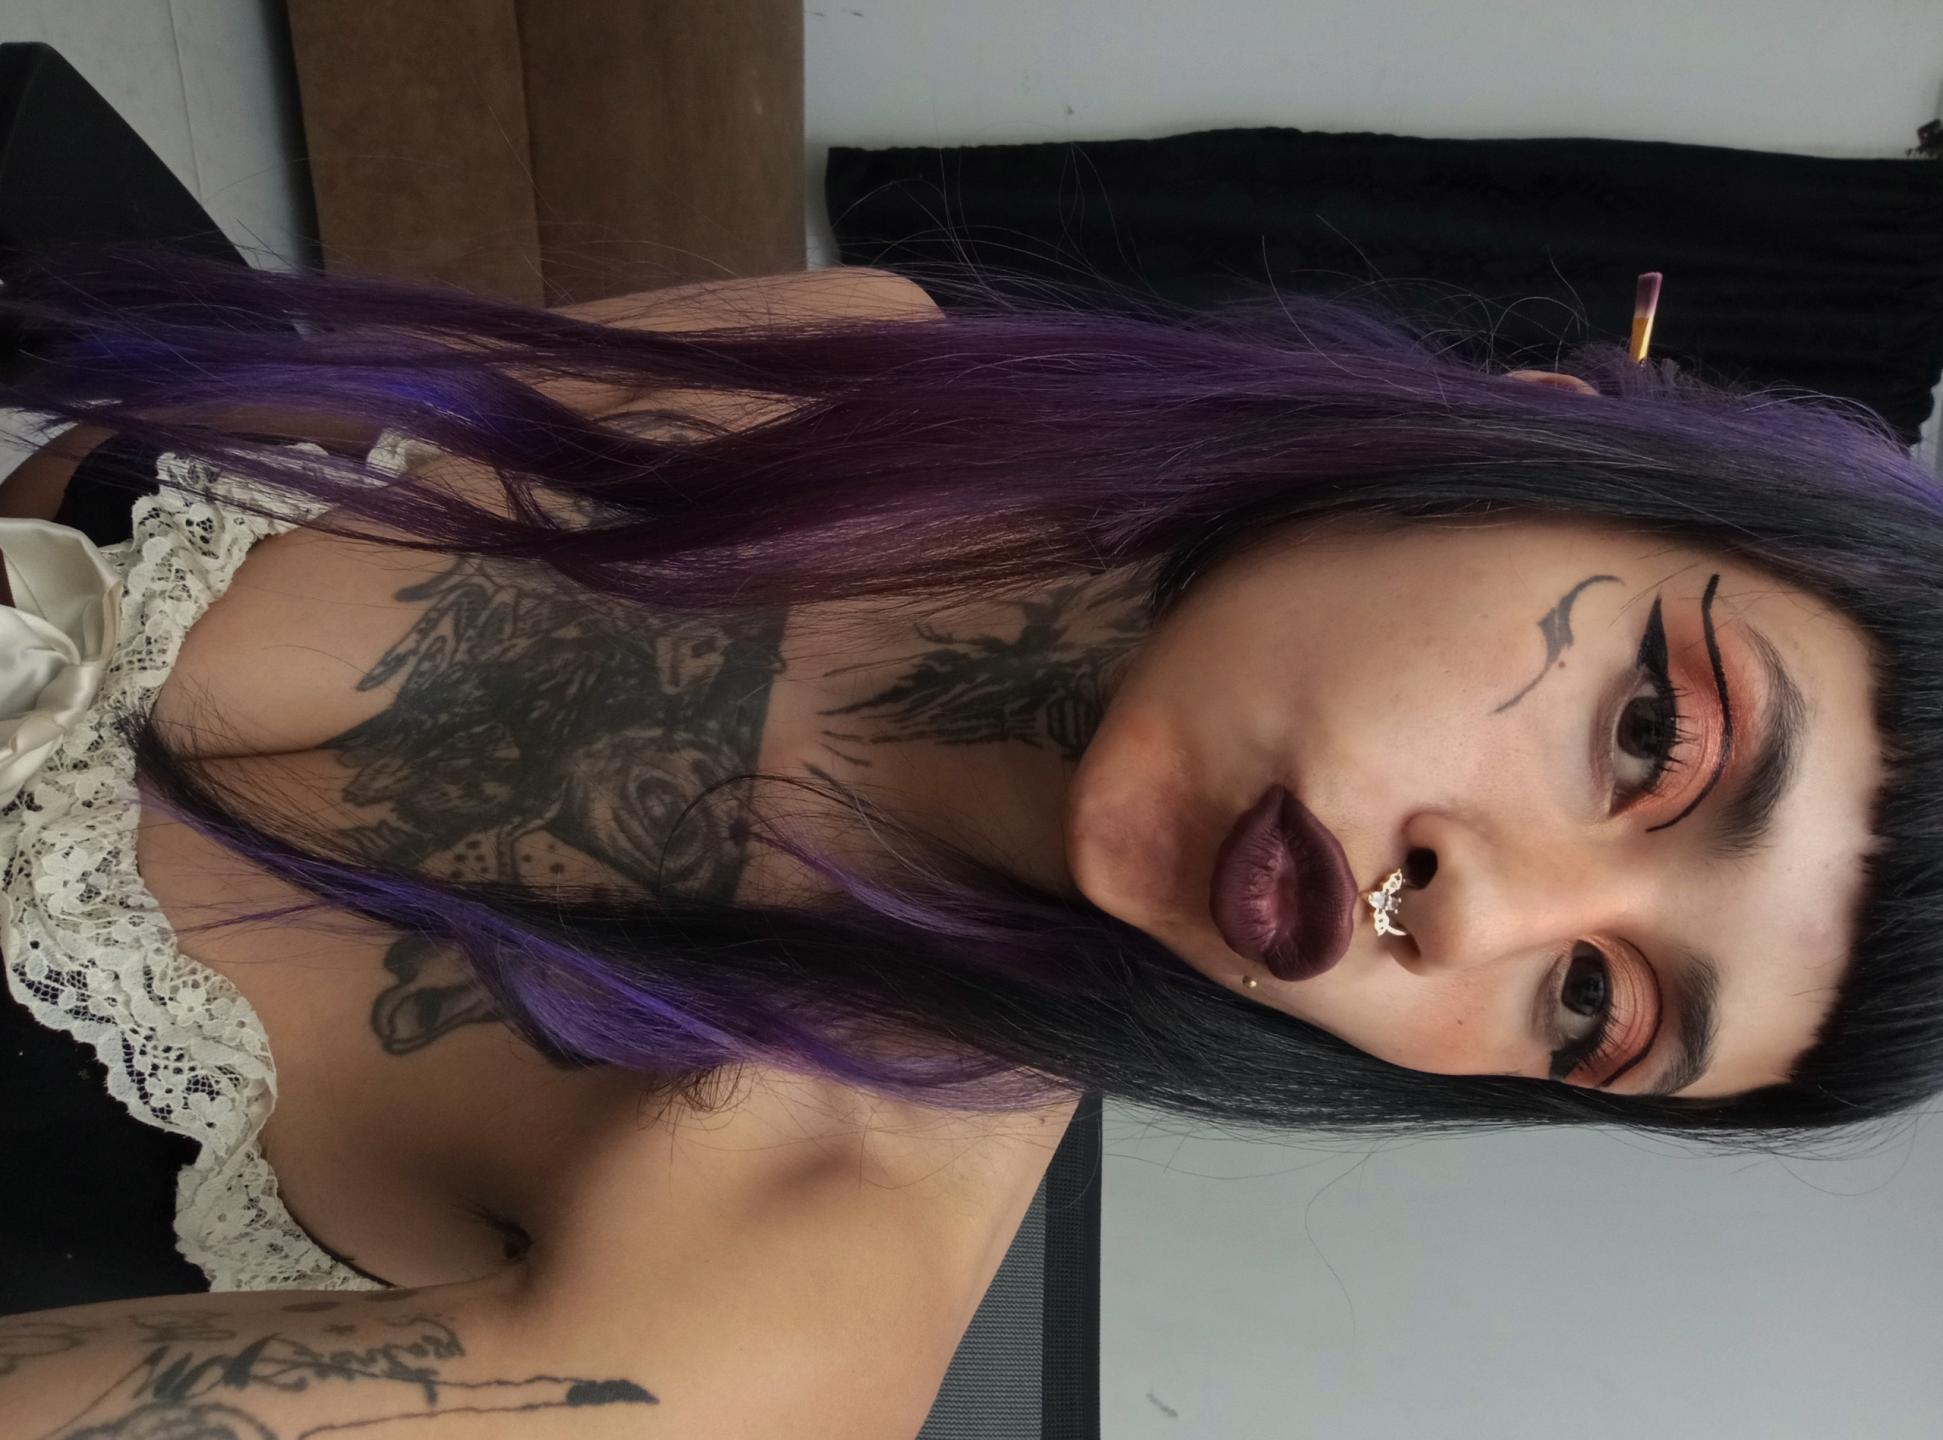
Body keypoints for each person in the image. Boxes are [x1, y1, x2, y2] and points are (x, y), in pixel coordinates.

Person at [0, 245, 1931, 1439]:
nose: (1477, 914)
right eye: (1654, 733)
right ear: (1524, 434)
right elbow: (92, 465)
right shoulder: (841, 364)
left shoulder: (776, 1300)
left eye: (1591, 1005)